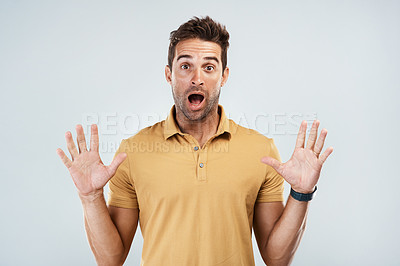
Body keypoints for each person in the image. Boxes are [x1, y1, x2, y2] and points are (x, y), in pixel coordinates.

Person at [56, 16, 333, 266]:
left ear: (224, 76)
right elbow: (111, 259)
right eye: (185, 66)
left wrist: (301, 194)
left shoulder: (261, 150)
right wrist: (91, 197)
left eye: (209, 67)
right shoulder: (133, 153)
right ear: (169, 75)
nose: (196, 79)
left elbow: (276, 258)